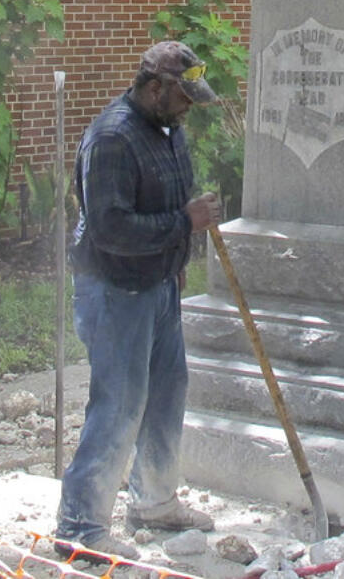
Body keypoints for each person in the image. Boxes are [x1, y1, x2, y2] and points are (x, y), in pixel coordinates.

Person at [55, 41, 223, 562]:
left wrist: (180, 247)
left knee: (168, 392)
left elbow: (173, 198)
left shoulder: (168, 130)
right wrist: (183, 223)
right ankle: (79, 526)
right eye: (184, 97)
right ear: (155, 89)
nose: (190, 107)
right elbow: (109, 228)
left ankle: (153, 501)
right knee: (120, 404)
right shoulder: (112, 139)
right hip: (114, 289)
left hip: (158, 284)